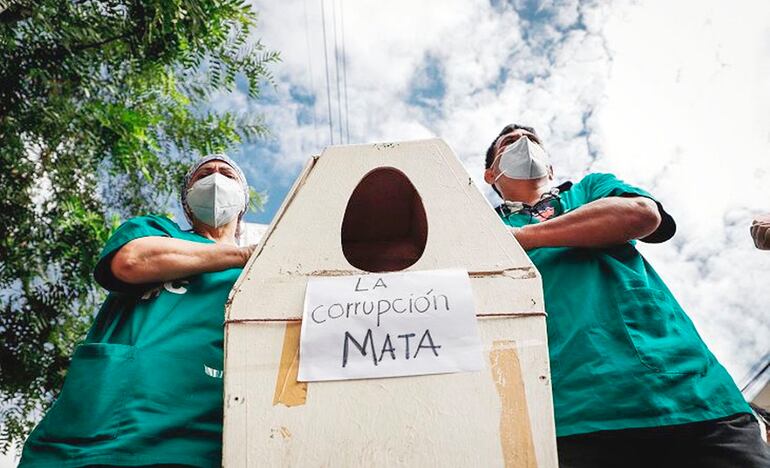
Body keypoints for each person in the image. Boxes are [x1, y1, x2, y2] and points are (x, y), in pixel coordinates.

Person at [483, 124, 770, 468]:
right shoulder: (482, 224)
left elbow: (641, 215)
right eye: (510, 142)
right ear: (490, 174)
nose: (524, 144)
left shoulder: (590, 188)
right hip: (571, 416)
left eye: (533, 140)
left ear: (552, 167)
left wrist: (524, 237)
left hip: (685, 393)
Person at [20, 154, 255, 467]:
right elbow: (131, 261)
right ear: (186, 202)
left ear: (243, 201)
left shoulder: (257, 272)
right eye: (203, 175)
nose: (215, 178)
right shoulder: (158, 231)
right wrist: (241, 255)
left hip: (198, 429)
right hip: (108, 420)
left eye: (226, 173)